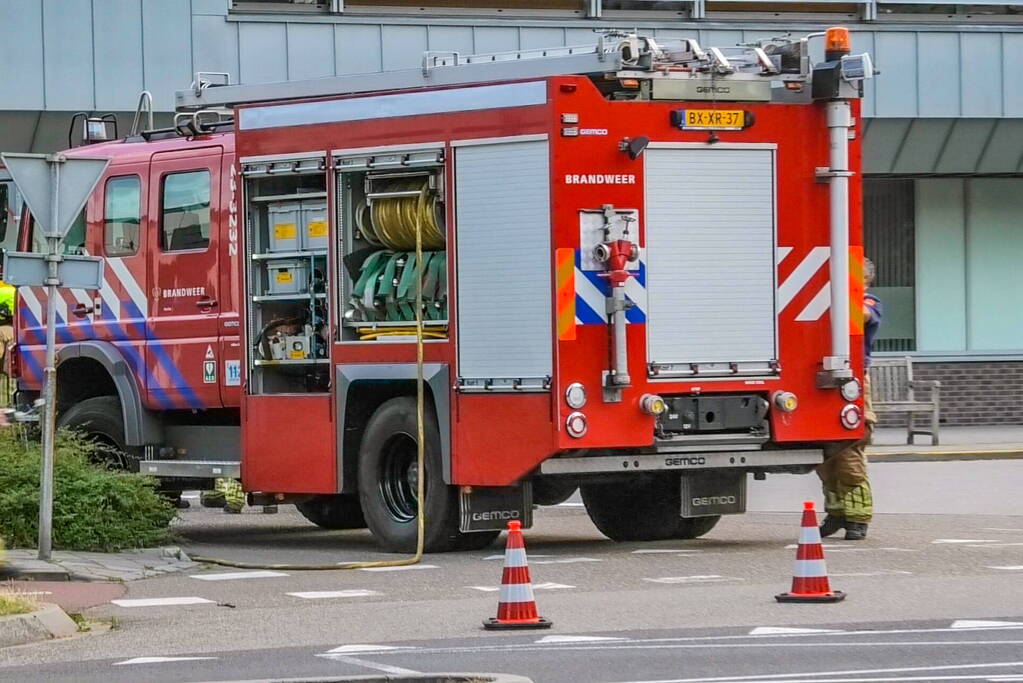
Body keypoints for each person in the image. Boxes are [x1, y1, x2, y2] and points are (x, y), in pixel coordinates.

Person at [818, 258, 882, 541]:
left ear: (864, 280)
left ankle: (858, 518)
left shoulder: (870, 302)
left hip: (854, 382)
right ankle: (837, 513)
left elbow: (862, 316)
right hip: (823, 380)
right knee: (824, 457)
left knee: (850, 449)